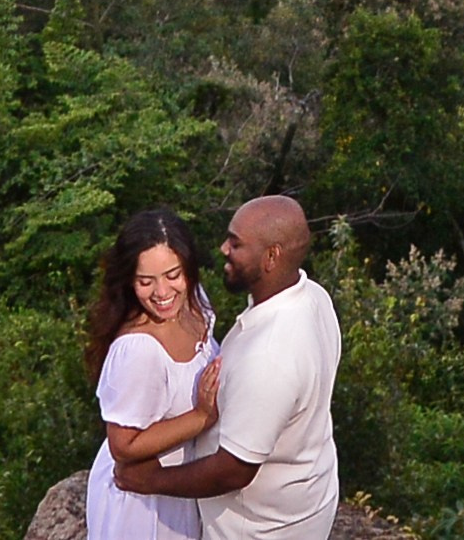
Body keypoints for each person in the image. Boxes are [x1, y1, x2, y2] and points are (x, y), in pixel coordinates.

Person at [112, 195, 343, 540]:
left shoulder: (271, 356)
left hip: (261, 528)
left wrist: (151, 480)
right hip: (305, 498)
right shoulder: (312, 296)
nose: (223, 248)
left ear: (271, 257)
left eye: (236, 243)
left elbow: (234, 470)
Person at [83, 207, 221, 540]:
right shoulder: (138, 350)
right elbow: (123, 446)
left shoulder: (193, 302)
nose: (162, 293)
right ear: (130, 281)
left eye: (173, 275)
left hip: (181, 482)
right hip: (142, 501)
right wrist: (202, 416)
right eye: (146, 281)